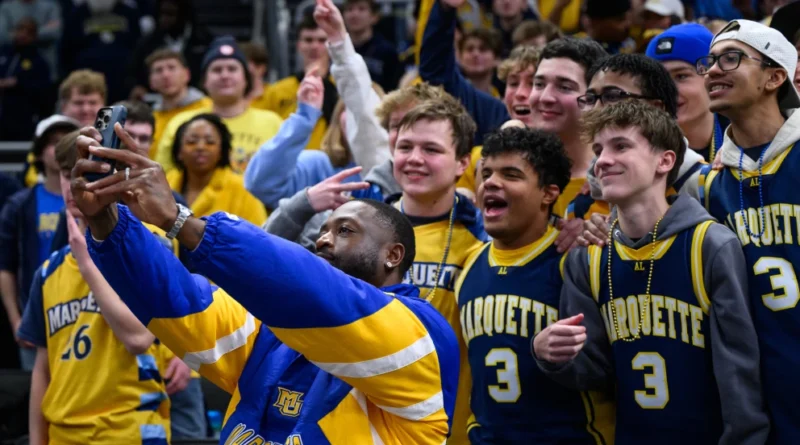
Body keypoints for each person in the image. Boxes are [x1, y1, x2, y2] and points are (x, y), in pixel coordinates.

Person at [69, 124, 460, 444]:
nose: (323, 240)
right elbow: (180, 302)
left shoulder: (421, 336)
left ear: (393, 255)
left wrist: (179, 220)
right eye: (322, 231)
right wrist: (106, 218)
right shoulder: (272, 332)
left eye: (345, 230)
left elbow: (321, 295)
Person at [534, 101, 769, 444]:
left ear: (665, 160)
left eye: (621, 146)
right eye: (598, 150)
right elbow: (593, 373)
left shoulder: (709, 245)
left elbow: (740, 376)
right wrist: (549, 354)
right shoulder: (588, 259)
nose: (603, 161)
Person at [17, 126, 191, 445]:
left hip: (129, 431)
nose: (76, 184)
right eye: (68, 173)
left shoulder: (149, 246)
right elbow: (43, 370)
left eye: (87, 172)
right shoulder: (49, 270)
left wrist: (87, 264)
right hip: (63, 434)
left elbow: (139, 338)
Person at [456, 126, 614, 443]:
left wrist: (546, 355)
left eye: (511, 175)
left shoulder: (578, 259)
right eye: (485, 173)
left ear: (548, 193)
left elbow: (610, 365)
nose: (491, 182)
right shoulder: (469, 265)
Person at [693, 19, 800, 444]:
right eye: (709, 61)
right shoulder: (708, 185)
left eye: (731, 58)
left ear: (775, 77)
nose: (712, 70)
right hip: (754, 387)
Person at [0, 115, 78, 370]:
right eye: (54, 142)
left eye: (68, 141)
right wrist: (17, 321)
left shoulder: (94, 200)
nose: (61, 147)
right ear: (39, 152)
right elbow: (5, 267)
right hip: (37, 317)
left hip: (83, 312)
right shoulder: (19, 204)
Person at [154, 36, 284, 174]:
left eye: (232, 69)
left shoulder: (273, 123)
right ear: (205, 81)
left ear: (246, 79)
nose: (225, 75)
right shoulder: (182, 123)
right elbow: (161, 175)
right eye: (217, 70)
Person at [529, 37, 606, 219]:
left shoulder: (616, 180)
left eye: (564, 87)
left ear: (595, 98)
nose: (545, 97)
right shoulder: (505, 169)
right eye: (539, 84)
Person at [646, 23, 728, 162]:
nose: (668, 90)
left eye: (681, 76)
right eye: (657, 79)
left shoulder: (745, 140)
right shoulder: (637, 150)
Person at [167, 113, 268, 226]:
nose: (201, 147)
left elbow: (258, 232)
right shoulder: (166, 181)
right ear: (179, 151)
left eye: (210, 142)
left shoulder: (243, 189)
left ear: (222, 151)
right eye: (192, 142)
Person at [262, 13, 338, 150]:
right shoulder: (277, 90)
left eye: (321, 40)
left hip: (331, 159)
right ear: (299, 45)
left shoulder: (341, 88)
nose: (314, 46)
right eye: (308, 40)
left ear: (331, 45)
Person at [145, 48, 212, 158]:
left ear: (187, 74)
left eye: (171, 68)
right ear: (151, 81)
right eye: (158, 70)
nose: (165, 75)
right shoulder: (149, 119)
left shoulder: (209, 108)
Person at [342, 0, 403, 92]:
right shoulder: (337, 48)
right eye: (349, 9)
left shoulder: (387, 52)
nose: (354, 14)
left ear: (374, 17)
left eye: (361, 9)